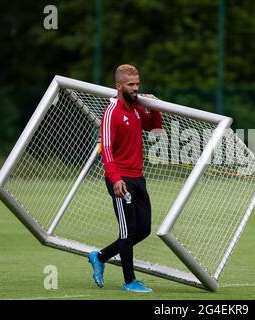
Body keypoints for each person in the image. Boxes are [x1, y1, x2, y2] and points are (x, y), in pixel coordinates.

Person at [88, 64, 162, 293]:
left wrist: (156, 107)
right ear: (119, 86)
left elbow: (156, 130)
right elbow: (106, 149)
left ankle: (99, 256)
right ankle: (129, 281)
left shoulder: (138, 108)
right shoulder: (111, 112)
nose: (135, 88)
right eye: (131, 85)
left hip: (138, 177)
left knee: (144, 229)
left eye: (137, 84)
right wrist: (115, 178)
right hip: (120, 179)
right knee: (127, 231)